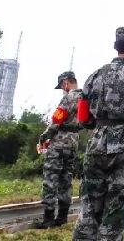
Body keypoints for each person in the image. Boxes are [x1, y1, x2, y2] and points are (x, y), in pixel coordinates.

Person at [72, 27, 124, 241]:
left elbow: (83, 118)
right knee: (116, 212)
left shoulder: (94, 76)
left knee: (89, 208)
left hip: (96, 146)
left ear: (116, 46)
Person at [36, 71, 82, 228]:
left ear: (65, 83)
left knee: (51, 179)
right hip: (74, 141)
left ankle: (48, 219)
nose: (62, 89)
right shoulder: (85, 97)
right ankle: (62, 218)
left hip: (60, 142)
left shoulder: (68, 98)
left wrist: (43, 138)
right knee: (66, 179)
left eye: (62, 86)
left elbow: (56, 121)